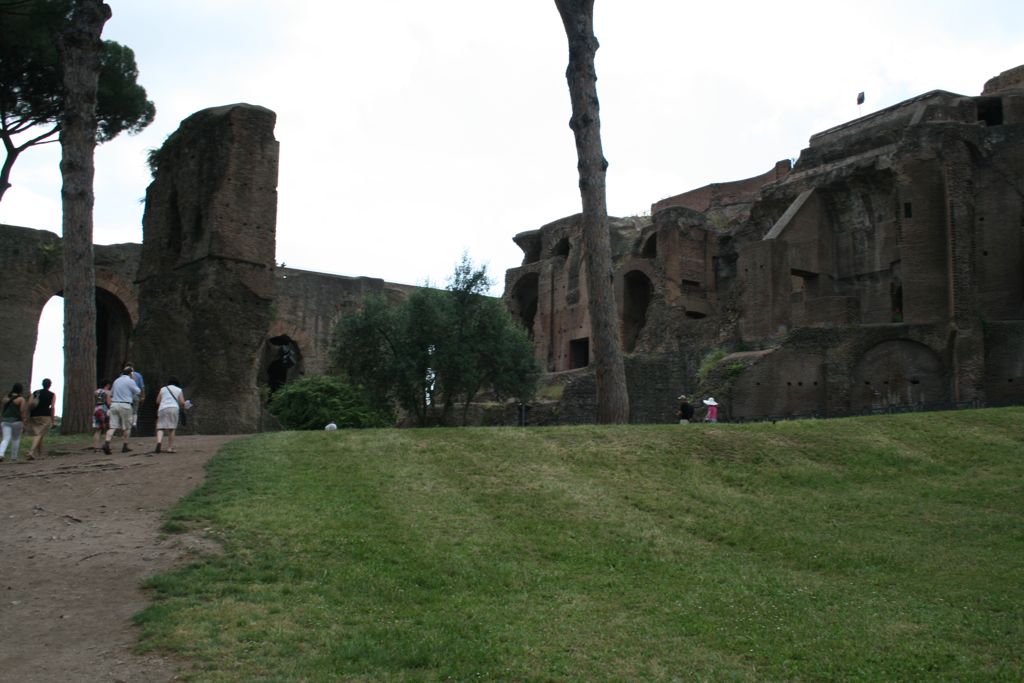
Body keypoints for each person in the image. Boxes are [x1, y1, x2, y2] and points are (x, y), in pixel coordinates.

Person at [103, 367, 141, 455]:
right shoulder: (131, 381)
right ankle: (125, 446)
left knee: (112, 427)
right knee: (127, 427)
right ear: (131, 373)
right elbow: (138, 391)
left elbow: (111, 393)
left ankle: (107, 443)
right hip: (125, 405)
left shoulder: (116, 381)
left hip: (114, 405)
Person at [154, 377, 186, 454]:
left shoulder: (163, 389)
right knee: (171, 429)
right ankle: (170, 448)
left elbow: (157, 401)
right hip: (173, 408)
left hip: (162, 408)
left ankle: (159, 442)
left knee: (160, 427)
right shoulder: (179, 390)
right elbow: (182, 402)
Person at [26, 378, 56, 459]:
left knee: (39, 434)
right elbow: (52, 407)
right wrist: (53, 420)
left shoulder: (35, 392)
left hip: (34, 415)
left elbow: (29, 404)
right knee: (39, 434)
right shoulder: (52, 394)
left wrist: (28, 415)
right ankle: (31, 452)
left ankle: (40, 454)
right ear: (50, 385)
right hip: (45, 416)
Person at [1, 383, 28, 462]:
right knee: (16, 439)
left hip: (5, 421)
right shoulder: (21, 399)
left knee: (5, 438)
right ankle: (13, 457)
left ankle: (1, 454)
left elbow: (3, 408)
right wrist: (24, 422)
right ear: (21, 390)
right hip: (17, 421)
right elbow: (22, 411)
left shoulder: (5, 398)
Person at [125, 362, 145, 434]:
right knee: (135, 410)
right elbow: (142, 387)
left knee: (128, 410)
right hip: (136, 395)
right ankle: (134, 423)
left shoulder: (122, 375)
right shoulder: (138, 375)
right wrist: (143, 396)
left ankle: (128, 425)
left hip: (126, 396)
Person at [92, 379, 112, 451]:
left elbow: (97, 400)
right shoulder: (108, 392)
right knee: (108, 428)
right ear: (107, 385)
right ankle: (106, 445)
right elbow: (108, 403)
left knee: (98, 430)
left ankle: (95, 447)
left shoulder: (96, 392)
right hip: (104, 410)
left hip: (97, 409)